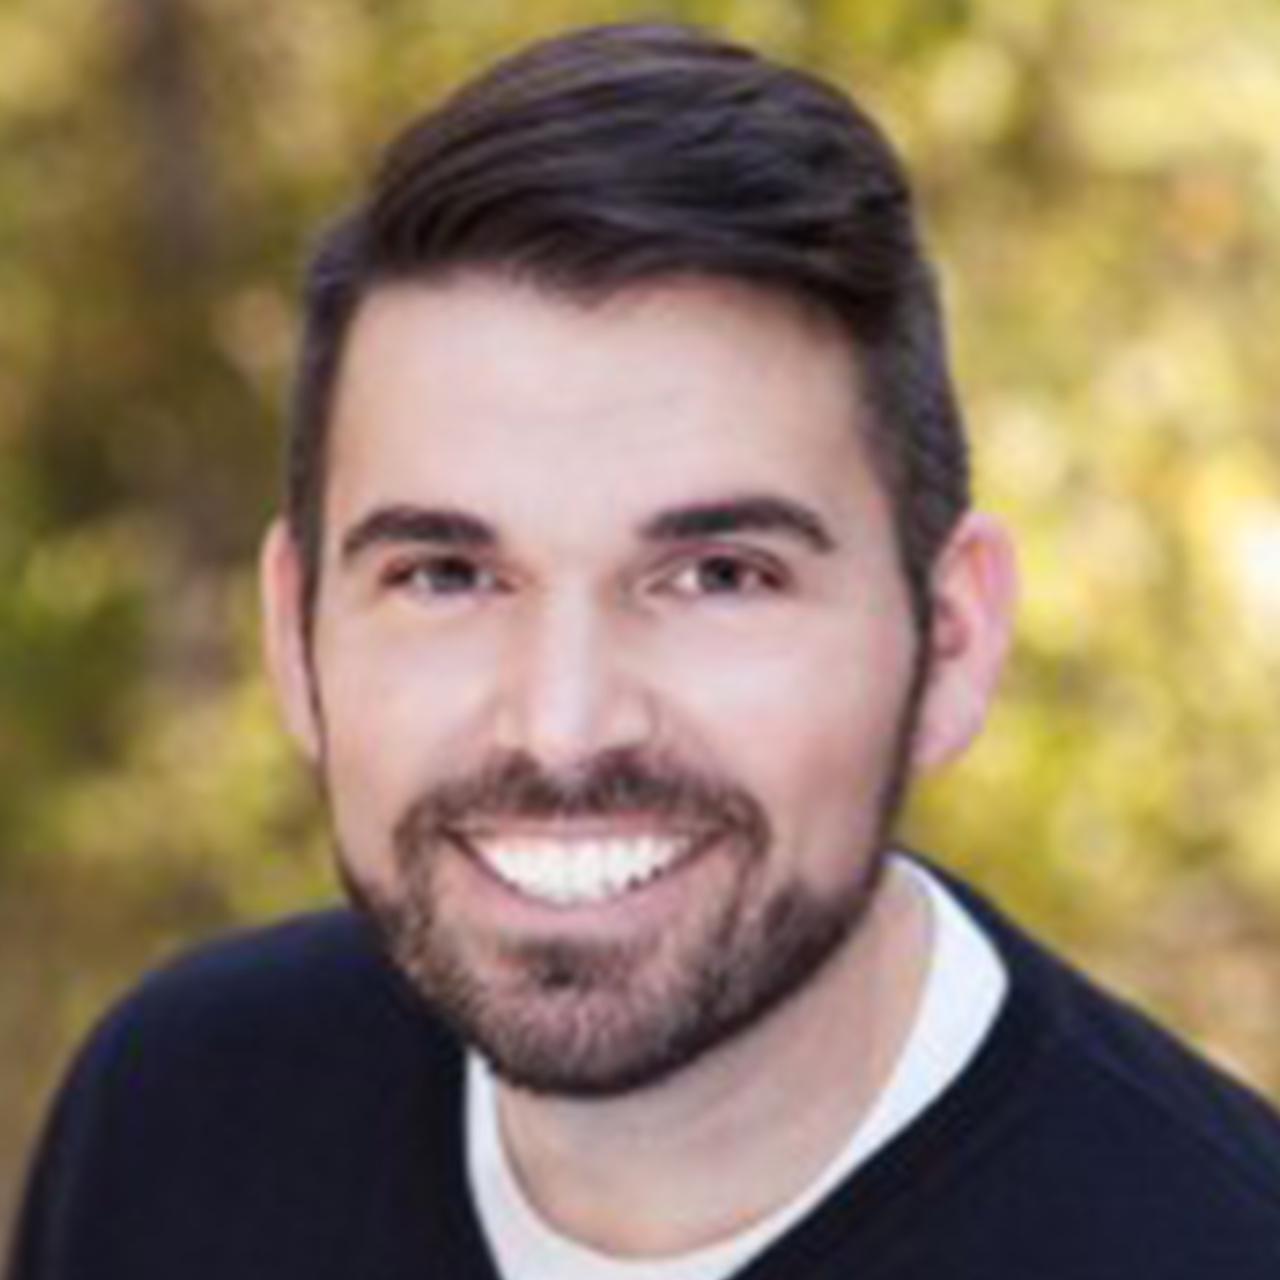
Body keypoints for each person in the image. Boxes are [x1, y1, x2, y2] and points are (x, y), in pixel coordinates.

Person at [8, 21, 1280, 1280]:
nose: (562, 724)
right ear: (293, 633)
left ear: (946, 642)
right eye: (446, 574)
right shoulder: (177, 1120)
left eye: (717, 576)